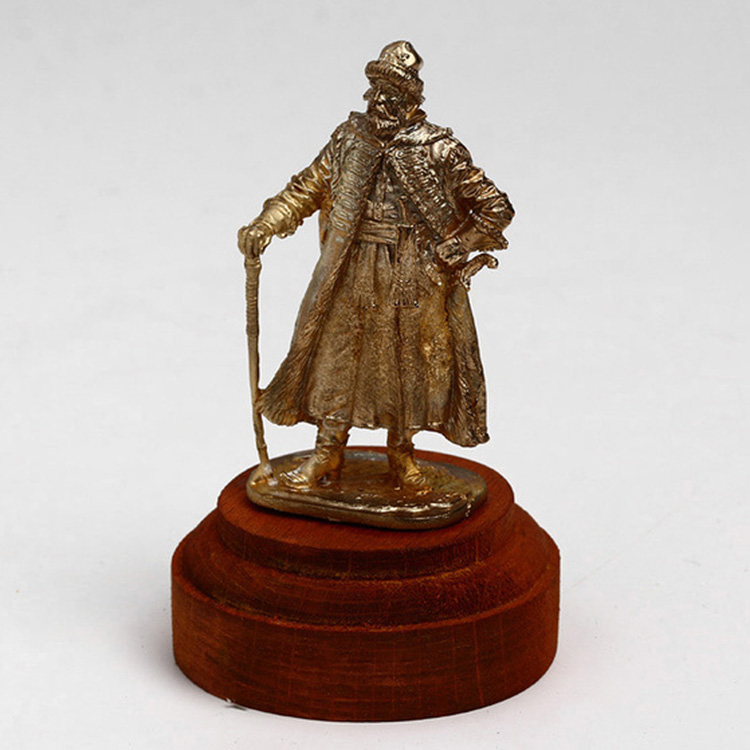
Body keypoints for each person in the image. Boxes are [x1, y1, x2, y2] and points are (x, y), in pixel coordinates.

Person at [238, 41, 514, 490]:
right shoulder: (349, 140)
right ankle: (327, 453)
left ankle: (402, 455)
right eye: (376, 91)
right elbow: (306, 188)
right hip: (349, 269)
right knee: (336, 358)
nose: (379, 101)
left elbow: (495, 208)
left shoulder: (440, 149)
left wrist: (459, 245)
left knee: (410, 364)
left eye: (392, 94)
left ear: (410, 100)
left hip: (413, 275)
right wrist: (265, 224)